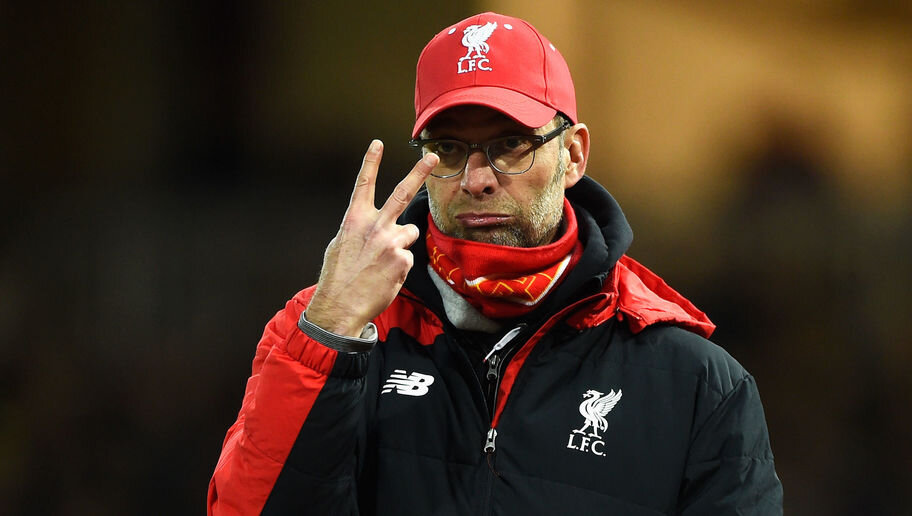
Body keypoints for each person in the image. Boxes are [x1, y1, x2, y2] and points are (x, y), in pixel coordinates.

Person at [207, 12, 783, 515]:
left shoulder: (697, 383)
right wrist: (328, 334)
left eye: (510, 144)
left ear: (574, 154)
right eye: (448, 149)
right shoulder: (327, 332)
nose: (477, 178)